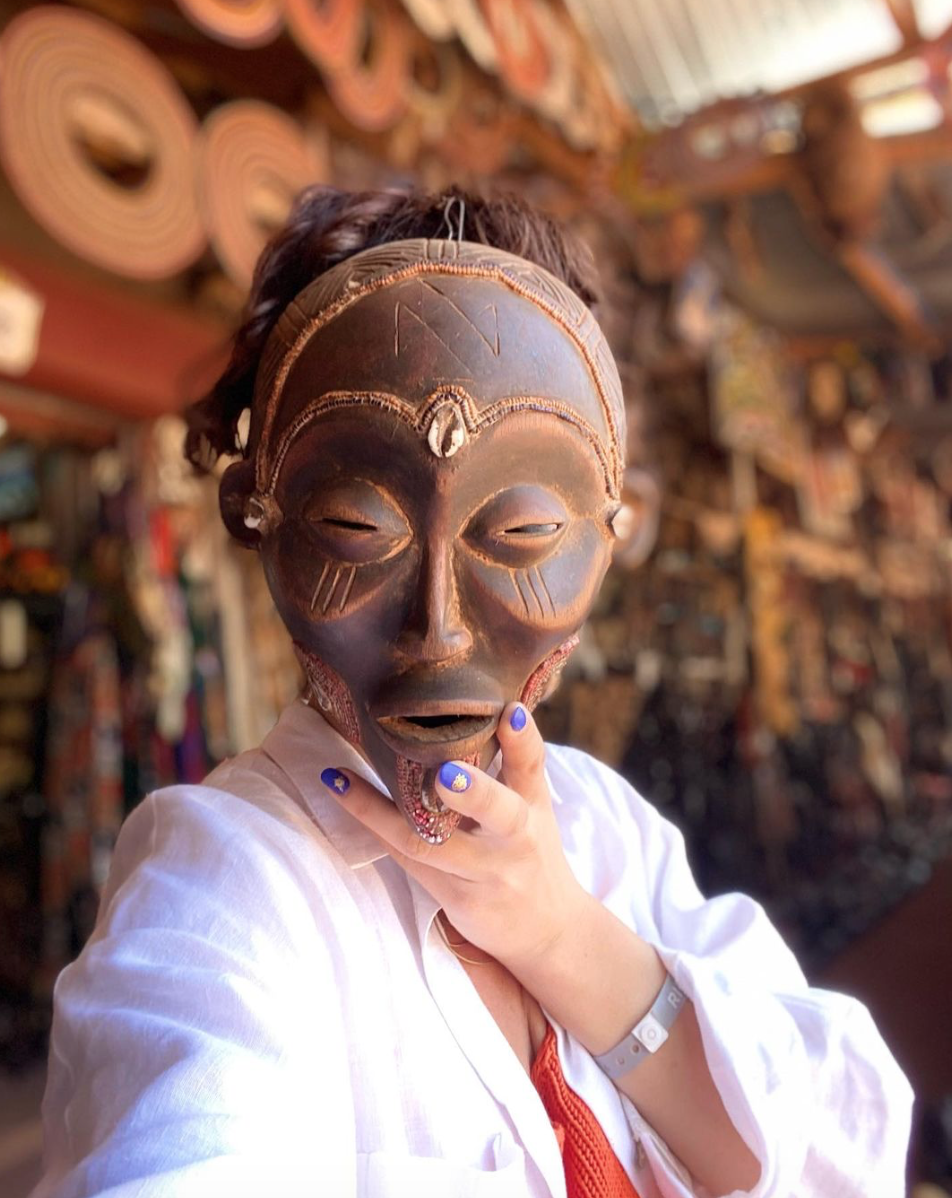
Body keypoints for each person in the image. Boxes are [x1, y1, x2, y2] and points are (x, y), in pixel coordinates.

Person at [33, 187, 911, 1198]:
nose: (439, 627)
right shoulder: (227, 887)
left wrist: (565, 937)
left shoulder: (606, 829)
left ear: (615, 530)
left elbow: (846, 1151)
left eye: (524, 534)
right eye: (357, 529)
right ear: (256, 517)